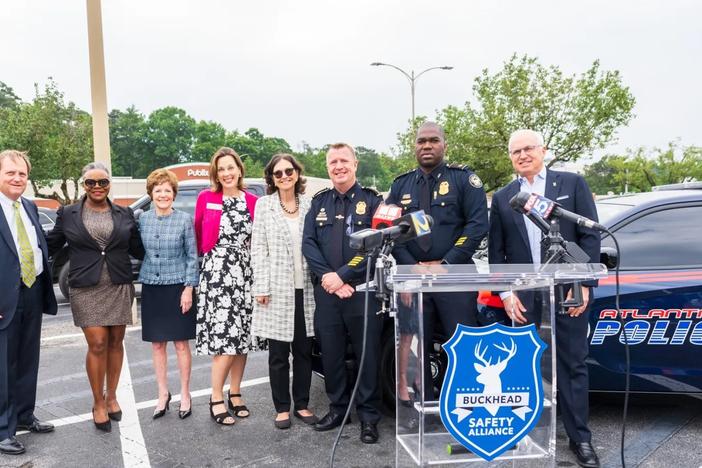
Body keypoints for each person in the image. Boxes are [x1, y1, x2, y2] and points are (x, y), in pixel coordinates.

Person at [488, 129, 601, 468]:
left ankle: (580, 438)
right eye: (515, 152)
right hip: (525, 294)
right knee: (524, 365)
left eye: (528, 149)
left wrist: (582, 283)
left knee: (572, 364)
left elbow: (589, 236)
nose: (522, 155)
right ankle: (527, 433)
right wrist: (506, 292)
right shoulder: (505, 196)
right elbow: (497, 251)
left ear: (543, 151)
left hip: (567, 291)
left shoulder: (571, 184)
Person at [385, 121, 489, 401]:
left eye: (433, 140)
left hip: (454, 278)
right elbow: (391, 231)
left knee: (462, 345)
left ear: (444, 144)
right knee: (419, 346)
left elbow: (477, 225)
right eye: (421, 141)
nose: (427, 146)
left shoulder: (463, 179)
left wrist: (447, 263)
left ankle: (465, 404)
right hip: (415, 279)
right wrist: (411, 266)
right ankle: (423, 406)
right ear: (415, 146)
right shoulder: (400, 185)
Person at [47, 162, 144, 433]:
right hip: (85, 287)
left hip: (118, 284)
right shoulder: (68, 214)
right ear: (84, 185)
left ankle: (112, 396)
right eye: (91, 182)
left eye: (103, 182)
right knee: (98, 342)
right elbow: (50, 244)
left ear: (109, 184)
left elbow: (139, 247)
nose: (98, 187)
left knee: (116, 341)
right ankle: (97, 401)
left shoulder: (124, 213)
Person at [302, 143, 383, 443]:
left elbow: (377, 243)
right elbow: (308, 243)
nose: (339, 166)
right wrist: (329, 277)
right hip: (328, 292)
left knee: (367, 356)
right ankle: (338, 410)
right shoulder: (319, 203)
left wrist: (344, 275)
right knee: (332, 354)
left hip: (362, 292)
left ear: (355, 164)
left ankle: (369, 417)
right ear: (327, 167)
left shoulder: (373, 201)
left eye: (344, 161)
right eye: (333, 162)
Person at [194, 147, 265, 426]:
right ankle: (215, 397)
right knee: (225, 340)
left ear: (239, 170)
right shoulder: (207, 198)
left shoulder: (252, 200)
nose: (226, 173)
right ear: (216, 173)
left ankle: (235, 392)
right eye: (221, 169)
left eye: (230, 167)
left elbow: (258, 238)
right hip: (218, 273)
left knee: (242, 338)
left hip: (245, 273)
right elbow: (200, 232)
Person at [251, 154, 317, 430]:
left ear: (297, 173)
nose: (284, 176)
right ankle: (281, 408)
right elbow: (258, 248)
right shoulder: (264, 206)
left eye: (288, 171)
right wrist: (261, 287)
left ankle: (301, 404)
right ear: (271, 178)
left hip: (308, 289)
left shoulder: (310, 204)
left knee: (304, 351)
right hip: (276, 290)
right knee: (278, 354)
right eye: (278, 173)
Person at [0, 150, 57, 455]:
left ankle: (24, 415)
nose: (17, 178)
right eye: (10, 173)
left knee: (27, 358)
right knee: (3, 365)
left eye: (22, 173)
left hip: (32, 290)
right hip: (4, 298)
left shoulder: (30, 207)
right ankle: (3, 429)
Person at [138, 169, 198, 420]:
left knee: (181, 344)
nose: (163, 194)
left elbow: (193, 256)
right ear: (151, 194)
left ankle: (185, 393)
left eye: (167, 190)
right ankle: (162, 393)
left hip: (178, 288)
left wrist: (189, 288)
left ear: (174, 194)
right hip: (152, 286)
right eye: (158, 190)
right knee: (157, 344)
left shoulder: (184, 220)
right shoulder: (141, 219)